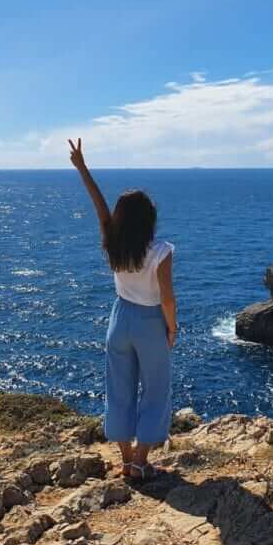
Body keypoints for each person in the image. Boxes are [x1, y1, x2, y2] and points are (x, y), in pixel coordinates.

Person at [68, 138, 177, 481]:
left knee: (119, 388)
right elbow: (168, 298)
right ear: (149, 219)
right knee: (156, 390)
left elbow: (99, 206)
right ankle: (143, 461)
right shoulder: (160, 251)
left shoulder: (113, 243)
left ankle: (126, 461)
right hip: (149, 322)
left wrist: (82, 168)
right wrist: (171, 329)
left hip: (119, 319)